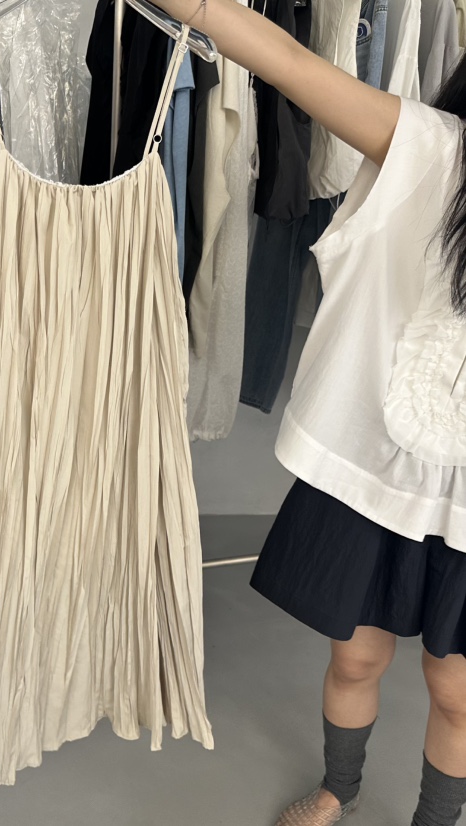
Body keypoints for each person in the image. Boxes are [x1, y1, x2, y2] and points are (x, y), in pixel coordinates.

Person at [150, 1, 466, 824]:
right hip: (370, 471)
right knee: (356, 659)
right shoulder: (426, 146)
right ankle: (340, 789)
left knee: (458, 690)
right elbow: (289, 62)